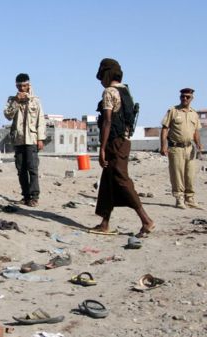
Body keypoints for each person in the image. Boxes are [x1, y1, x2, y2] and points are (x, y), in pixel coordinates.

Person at [91, 58, 154, 236]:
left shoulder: (109, 92)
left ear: (106, 74)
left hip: (115, 143)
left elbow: (108, 121)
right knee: (108, 182)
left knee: (121, 180)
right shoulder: (126, 91)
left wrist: (102, 148)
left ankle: (146, 220)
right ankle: (105, 222)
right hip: (124, 141)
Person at [3, 73, 46, 207]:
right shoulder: (12, 100)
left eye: (24, 86)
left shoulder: (36, 101)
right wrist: (16, 101)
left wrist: (40, 139)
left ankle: (34, 196)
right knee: (21, 169)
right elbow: (8, 115)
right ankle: (25, 195)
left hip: (31, 139)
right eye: (19, 86)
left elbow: (41, 120)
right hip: (18, 139)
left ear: (29, 85)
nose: (22, 88)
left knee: (32, 168)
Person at [160, 88, 204, 209]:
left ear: (192, 98)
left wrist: (198, 144)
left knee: (190, 174)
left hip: (189, 148)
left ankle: (189, 198)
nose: (184, 98)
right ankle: (179, 199)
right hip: (176, 148)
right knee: (177, 174)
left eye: (187, 97)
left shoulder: (194, 114)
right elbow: (165, 129)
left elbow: (196, 131)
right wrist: (163, 145)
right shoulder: (173, 111)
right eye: (182, 96)